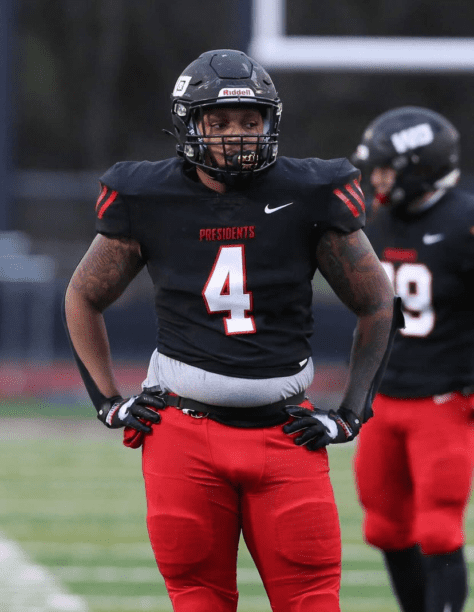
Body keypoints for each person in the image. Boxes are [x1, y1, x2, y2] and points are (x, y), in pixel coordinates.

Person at [64, 49, 397, 612]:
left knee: (314, 599)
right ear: (189, 125)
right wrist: (108, 401)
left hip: (285, 432)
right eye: (217, 121)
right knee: (198, 600)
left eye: (250, 121)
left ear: (271, 123)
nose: (236, 135)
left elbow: (378, 302)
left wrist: (351, 412)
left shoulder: (313, 191)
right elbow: (83, 295)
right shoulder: (146, 196)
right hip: (182, 432)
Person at [351, 106, 474, 612]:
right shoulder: (376, 221)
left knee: (438, 528)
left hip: (444, 398)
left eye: (385, 167)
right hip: (385, 396)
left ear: (419, 166)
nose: (375, 178)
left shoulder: (465, 222)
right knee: (383, 525)